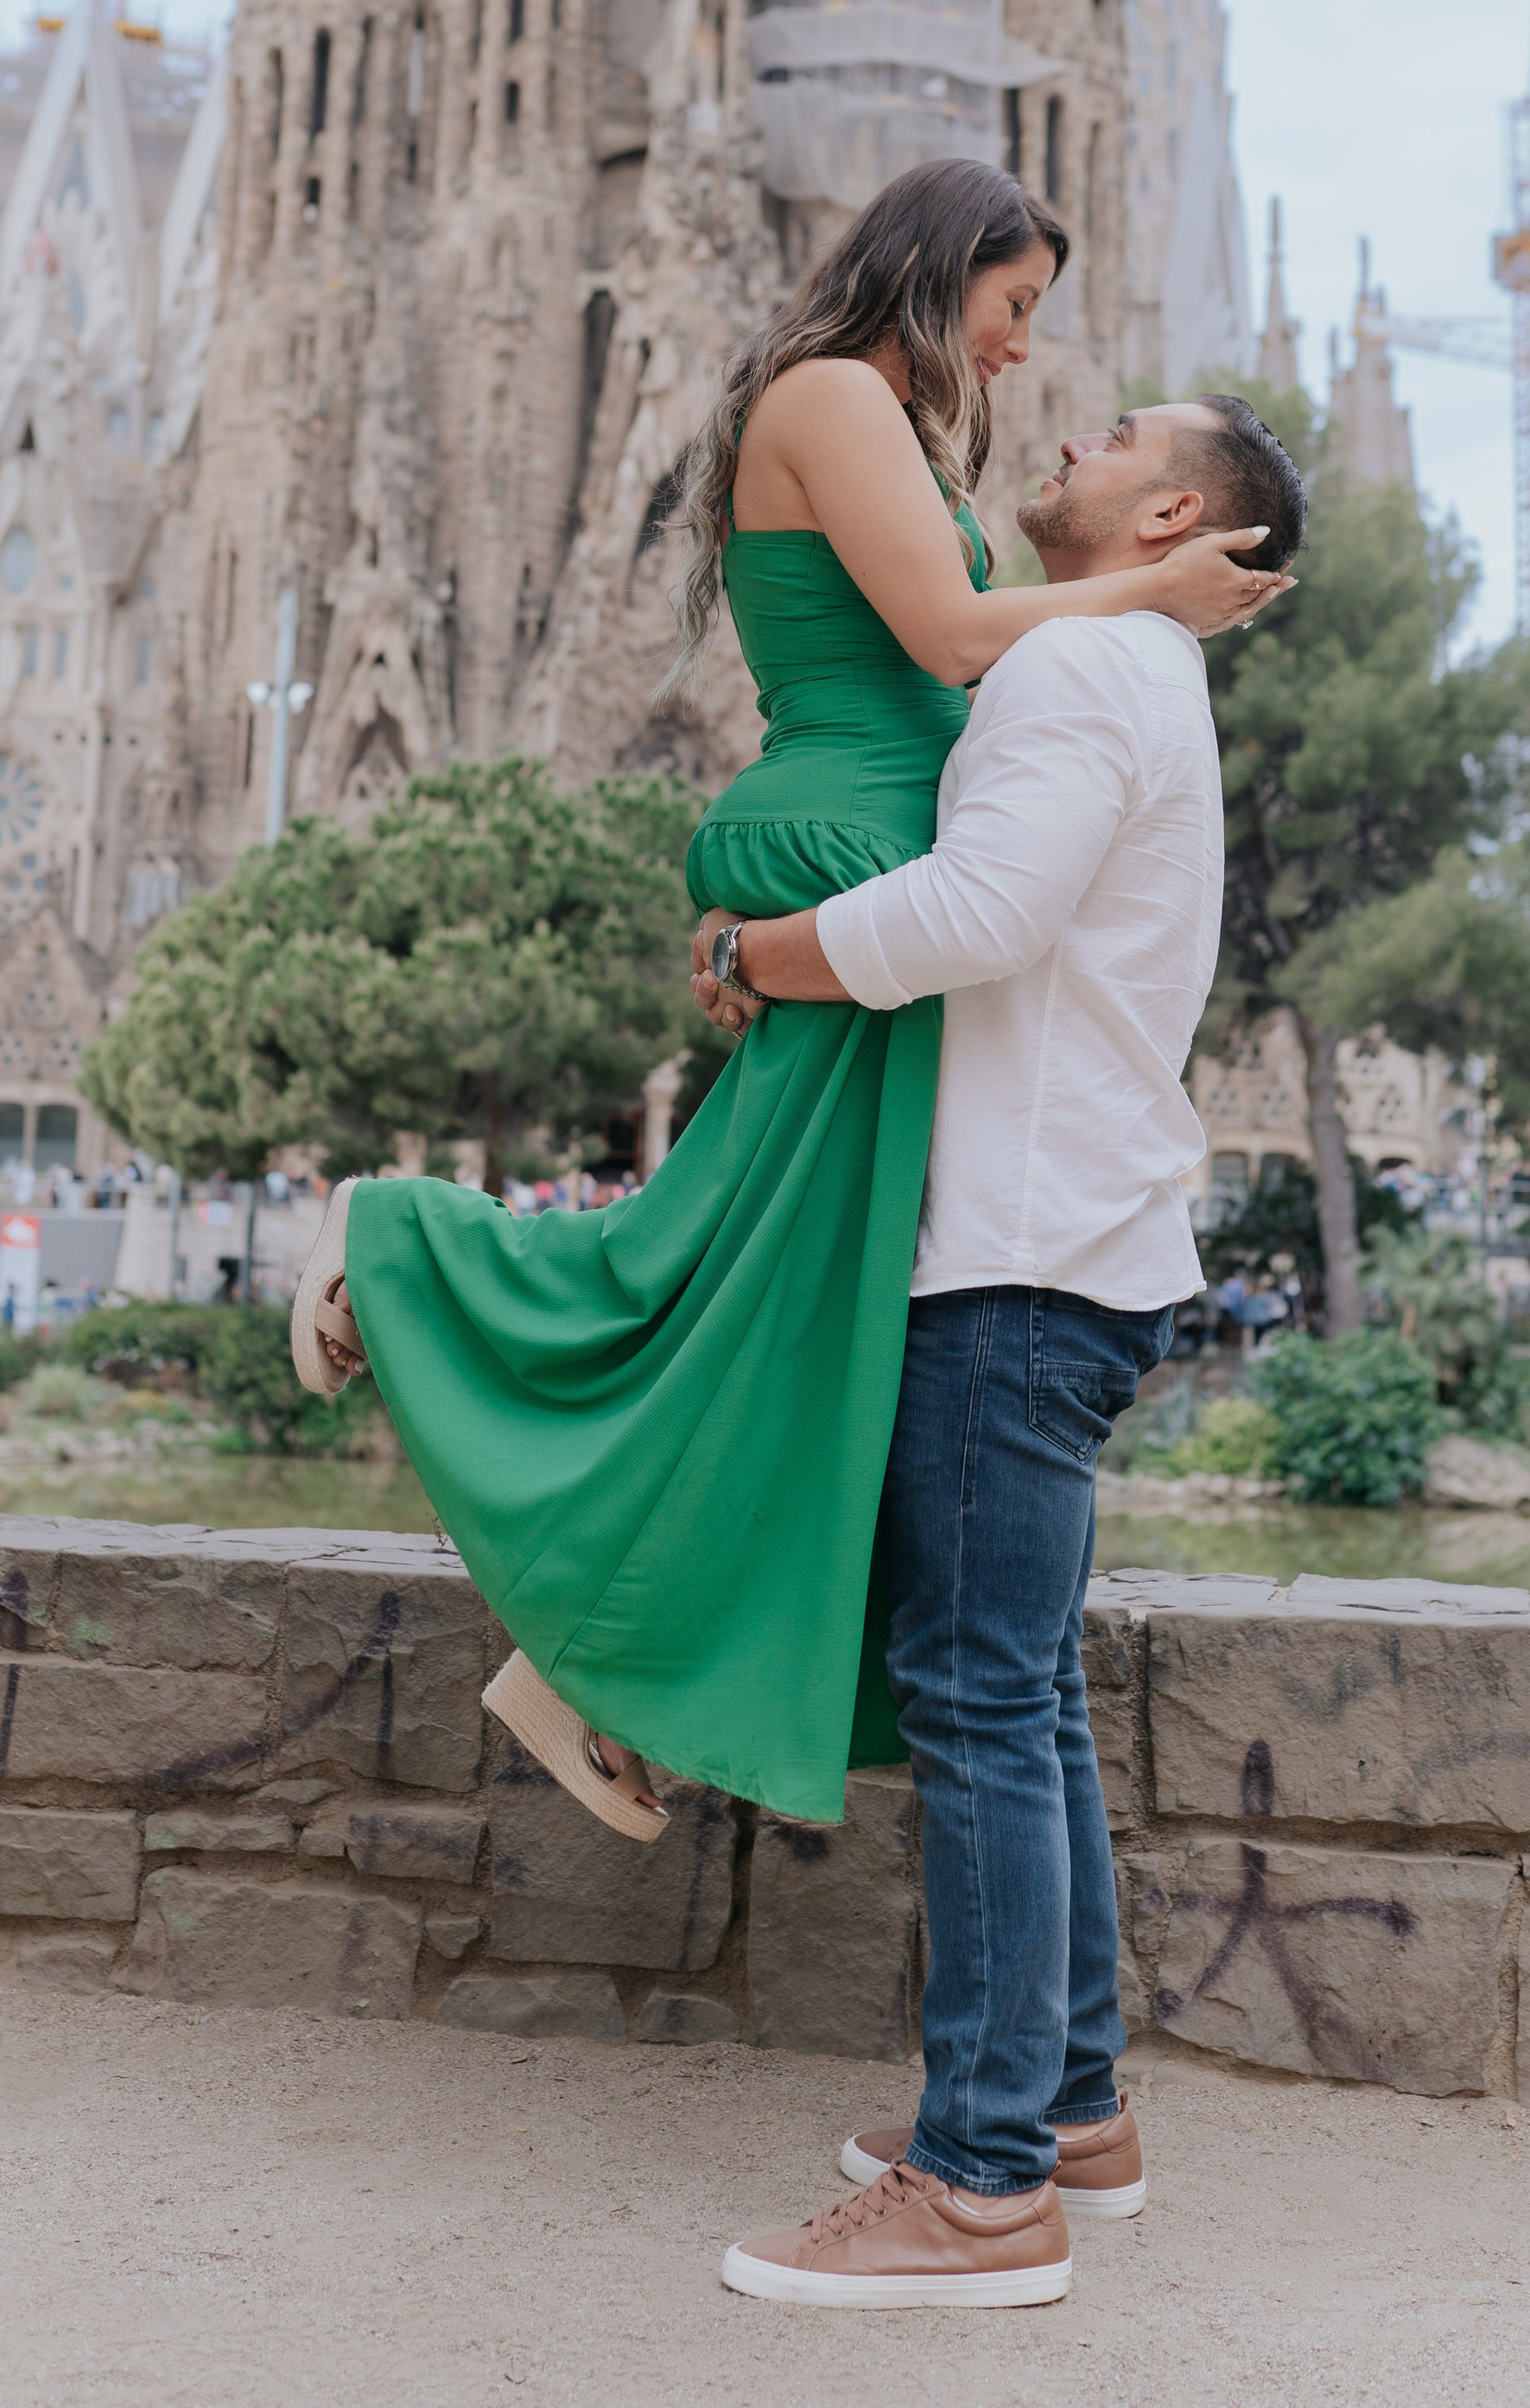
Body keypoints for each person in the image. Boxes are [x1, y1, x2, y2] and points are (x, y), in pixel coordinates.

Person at [289, 160, 1285, 1837]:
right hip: (859, 832)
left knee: (785, 1288)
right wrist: (1153, 591)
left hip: (888, 835)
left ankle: (609, 1664)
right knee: (723, 1260)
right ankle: (400, 1248)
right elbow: (952, 636)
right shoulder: (829, 397)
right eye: (1012, 306)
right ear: (934, 267)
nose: (1020, 350)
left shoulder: (900, 435)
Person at [688, 392, 1305, 2311]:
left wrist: (758, 954)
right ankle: (1071, 2114)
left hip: (1015, 1261)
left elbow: (982, 911)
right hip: (1075, 1247)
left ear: (1171, 511)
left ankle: (977, 2191)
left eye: (1112, 431)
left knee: (976, 1706)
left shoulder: (1077, 668)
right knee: (1019, 1700)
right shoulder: (1131, 667)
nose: (1063, 431)